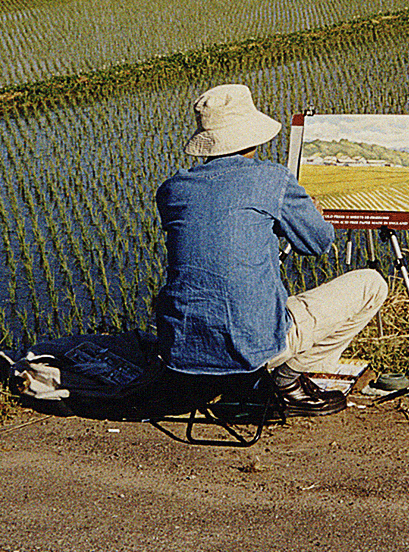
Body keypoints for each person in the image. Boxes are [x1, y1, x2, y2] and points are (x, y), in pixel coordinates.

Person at [154, 84, 386, 414]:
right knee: (371, 285)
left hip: (182, 349)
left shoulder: (173, 189)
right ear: (254, 134)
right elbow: (317, 242)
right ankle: (287, 381)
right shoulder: (271, 178)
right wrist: (310, 213)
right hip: (251, 347)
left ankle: (229, 377)